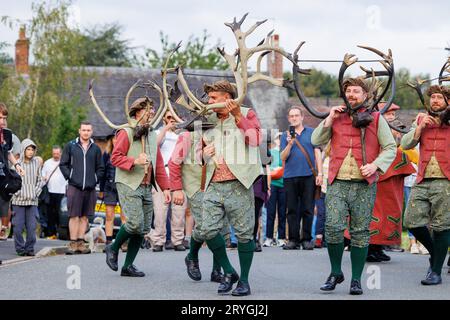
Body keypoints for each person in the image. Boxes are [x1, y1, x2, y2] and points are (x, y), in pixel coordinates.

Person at [312, 77, 396, 295]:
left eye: (356, 91)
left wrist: (376, 165)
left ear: (365, 95)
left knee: (360, 232)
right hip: (337, 183)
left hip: (364, 185)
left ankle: (356, 279)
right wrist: (329, 119)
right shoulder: (337, 117)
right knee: (332, 228)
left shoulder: (377, 119)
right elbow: (315, 140)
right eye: (348, 91)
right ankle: (335, 272)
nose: (351, 94)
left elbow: (390, 148)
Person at [200, 80, 262, 296]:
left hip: (239, 182)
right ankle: (228, 271)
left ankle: (243, 281)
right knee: (207, 229)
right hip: (213, 183)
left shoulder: (247, 113)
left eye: (213, 98)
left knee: (244, 235)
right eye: (209, 98)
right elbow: (198, 150)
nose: (209, 102)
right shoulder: (206, 119)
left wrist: (237, 116)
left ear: (227, 98)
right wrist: (202, 155)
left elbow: (255, 140)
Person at [105, 97, 170, 277]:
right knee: (134, 223)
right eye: (148, 109)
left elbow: (158, 163)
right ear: (137, 112)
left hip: (147, 185)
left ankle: (128, 266)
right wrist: (135, 161)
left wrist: (166, 188)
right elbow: (115, 158)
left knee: (143, 229)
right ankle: (113, 247)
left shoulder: (152, 134)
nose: (152, 112)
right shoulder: (125, 132)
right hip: (129, 183)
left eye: (152, 109)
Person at [401, 85, 450, 285]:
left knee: (441, 226)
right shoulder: (421, 119)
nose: (435, 101)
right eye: (433, 97)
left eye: (440, 98)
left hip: (445, 180)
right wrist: (419, 128)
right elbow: (405, 144)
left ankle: (435, 271)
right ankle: (436, 254)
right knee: (411, 220)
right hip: (422, 180)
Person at [169, 127, 230, 284]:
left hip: (217, 186)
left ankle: (216, 271)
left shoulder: (220, 133)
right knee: (206, 227)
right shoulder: (187, 136)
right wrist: (176, 189)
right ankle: (193, 256)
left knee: (220, 228)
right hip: (195, 186)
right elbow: (173, 163)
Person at [363, 103, 416, 262]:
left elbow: (399, 146)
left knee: (389, 213)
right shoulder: (372, 126)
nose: (392, 116)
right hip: (377, 175)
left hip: (391, 182)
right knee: (375, 213)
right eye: (389, 113)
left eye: (393, 114)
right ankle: (369, 248)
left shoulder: (394, 128)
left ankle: (379, 247)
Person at [281, 106, 323, 250]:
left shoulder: (312, 132)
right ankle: (293, 240)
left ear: (302, 117)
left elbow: (317, 153)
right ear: (288, 118)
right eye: (291, 116)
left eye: (296, 115)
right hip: (290, 176)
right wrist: (290, 143)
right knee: (291, 209)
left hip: (308, 176)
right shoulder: (285, 135)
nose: (294, 118)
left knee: (308, 209)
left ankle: (306, 239)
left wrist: (320, 174)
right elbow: (283, 157)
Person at [60, 121, 104, 255]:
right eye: (83, 130)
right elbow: (63, 164)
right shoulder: (71, 146)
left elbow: (101, 168)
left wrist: (95, 180)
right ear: (79, 131)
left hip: (90, 188)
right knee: (74, 216)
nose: (86, 132)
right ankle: (73, 243)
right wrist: (71, 177)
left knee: (85, 217)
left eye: (88, 130)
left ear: (91, 131)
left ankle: (81, 243)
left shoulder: (95, 149)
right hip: (74, 187)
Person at [150, 110, 186, 251]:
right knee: (160, 210)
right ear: (164, 118)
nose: (172, 120)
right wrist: (165, 128)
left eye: (174, 117)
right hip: (162, 174)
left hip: (179, 174)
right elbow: (155, 145)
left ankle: (178, 240)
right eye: (169, 117)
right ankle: (158, 240)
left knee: (179, 210)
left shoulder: (182, 134)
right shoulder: (159, 132)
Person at [11, 139, 43, 256]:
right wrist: (17, 193)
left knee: (31, 227)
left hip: (32, 201)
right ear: (23, 150)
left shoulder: (36, 163)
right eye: (28, 149)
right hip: (18, 201)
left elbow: (40, 181)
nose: (30, 152)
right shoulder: (16, 164)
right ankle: (20, 249)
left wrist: (35, 193)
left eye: (32, 149)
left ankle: (29, 249)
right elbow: (12, 182)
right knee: (18, 227)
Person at [98, 131, 127, 249]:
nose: (116, 141)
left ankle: (124, 242)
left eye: (118, 139)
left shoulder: (126, 154)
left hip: (123, 187)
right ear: (111, 141)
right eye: (114, 139)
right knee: (109, 215)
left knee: (124, 217)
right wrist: (101, 189)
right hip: (109, 188)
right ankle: (109, 243)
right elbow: (102, 173)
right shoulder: (106, 155)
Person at [0, 103, 24, 240]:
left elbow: (8, 152)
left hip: (3, 177)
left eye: (5, 118)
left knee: (3, 209)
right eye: (0, 118)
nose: (3, 121)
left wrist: (17, 165)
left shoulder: (7, 134)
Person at [264, 133, 287, 247]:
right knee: (271, 211)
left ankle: (281, 238)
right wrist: (276, 169)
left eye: (281, 139)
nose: (280, 141)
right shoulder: (271, 152)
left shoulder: (287, 152)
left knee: (282, 212)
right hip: (272, 184)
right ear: (275, 140)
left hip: (284, 185)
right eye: (278, 138)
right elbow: (268, 168)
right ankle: (268, 237)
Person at [41, 146, 67, 239]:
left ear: (61, 153)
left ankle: (60, 233)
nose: (56, 155)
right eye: (54, 153)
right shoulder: (47, 163)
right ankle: (51, 233)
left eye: (57, 153)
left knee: (60, 214)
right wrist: (44, 179)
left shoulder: (65, 162)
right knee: (50, 213)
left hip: (62, 192)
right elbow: (43, 175)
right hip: (50, 191)